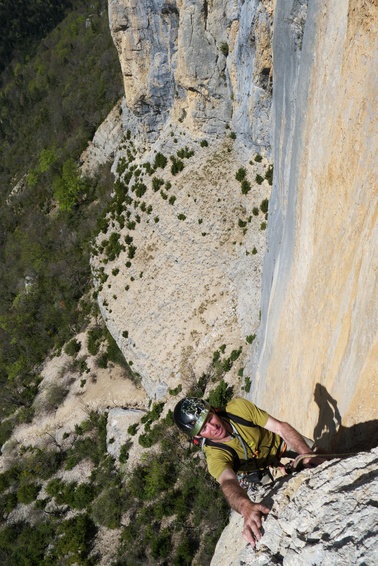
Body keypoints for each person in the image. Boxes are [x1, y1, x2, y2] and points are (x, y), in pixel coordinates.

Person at [173, 396, 324, 546]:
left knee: (321, 458)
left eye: (209, 418)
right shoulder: (215, 455)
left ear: (213, 410)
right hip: (258, 471)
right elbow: (228, 481)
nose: (213, 428)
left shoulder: (238, 410)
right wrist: (245, 507)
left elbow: (280, 428)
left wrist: (307, 454)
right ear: (198, 436)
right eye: (204, 428)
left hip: (279, 443)